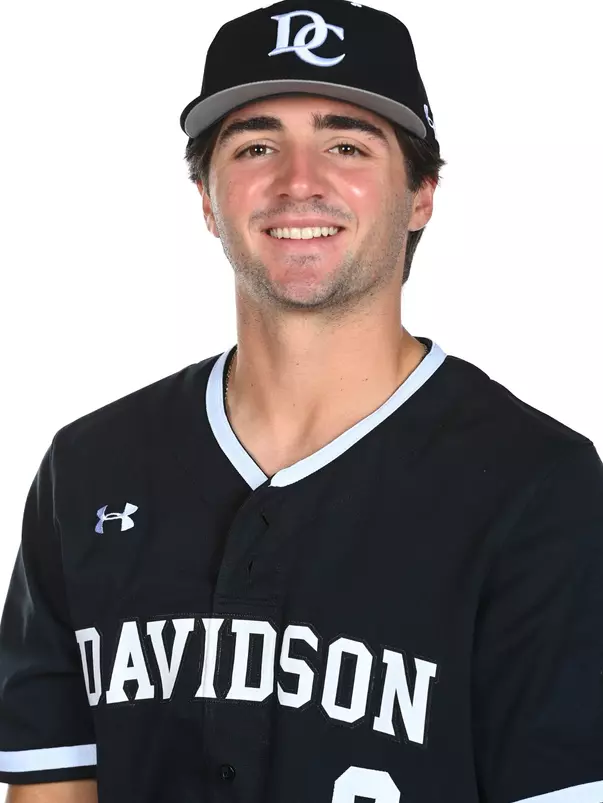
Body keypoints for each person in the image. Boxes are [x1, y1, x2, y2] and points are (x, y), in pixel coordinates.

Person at [1, 0, 602, 800]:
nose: (298, 183)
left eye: (346, 145)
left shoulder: (536, 485)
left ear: (421, 194)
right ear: (207, 199)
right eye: (256, 146)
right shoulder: (87, 468)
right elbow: (52, 783)